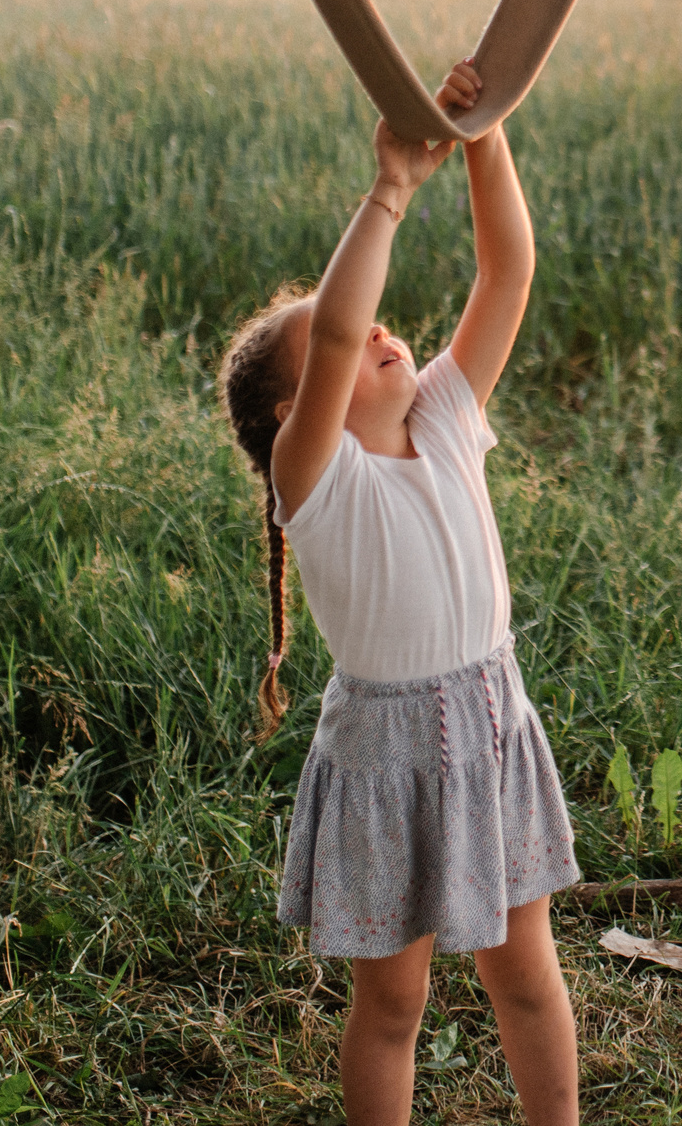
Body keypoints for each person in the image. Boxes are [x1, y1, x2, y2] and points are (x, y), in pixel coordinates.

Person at [217, 60, 580, 1126]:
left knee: (526, 973)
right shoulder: (315, 477)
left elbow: (506, 272)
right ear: (293, 412)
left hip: (491, 721)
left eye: (382, 325)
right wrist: (388, 188)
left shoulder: (445, 414)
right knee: (394, 1003)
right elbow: (336, 329)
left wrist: (484, 134)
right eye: (351, 336)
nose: (380, 331)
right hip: (384, 757)